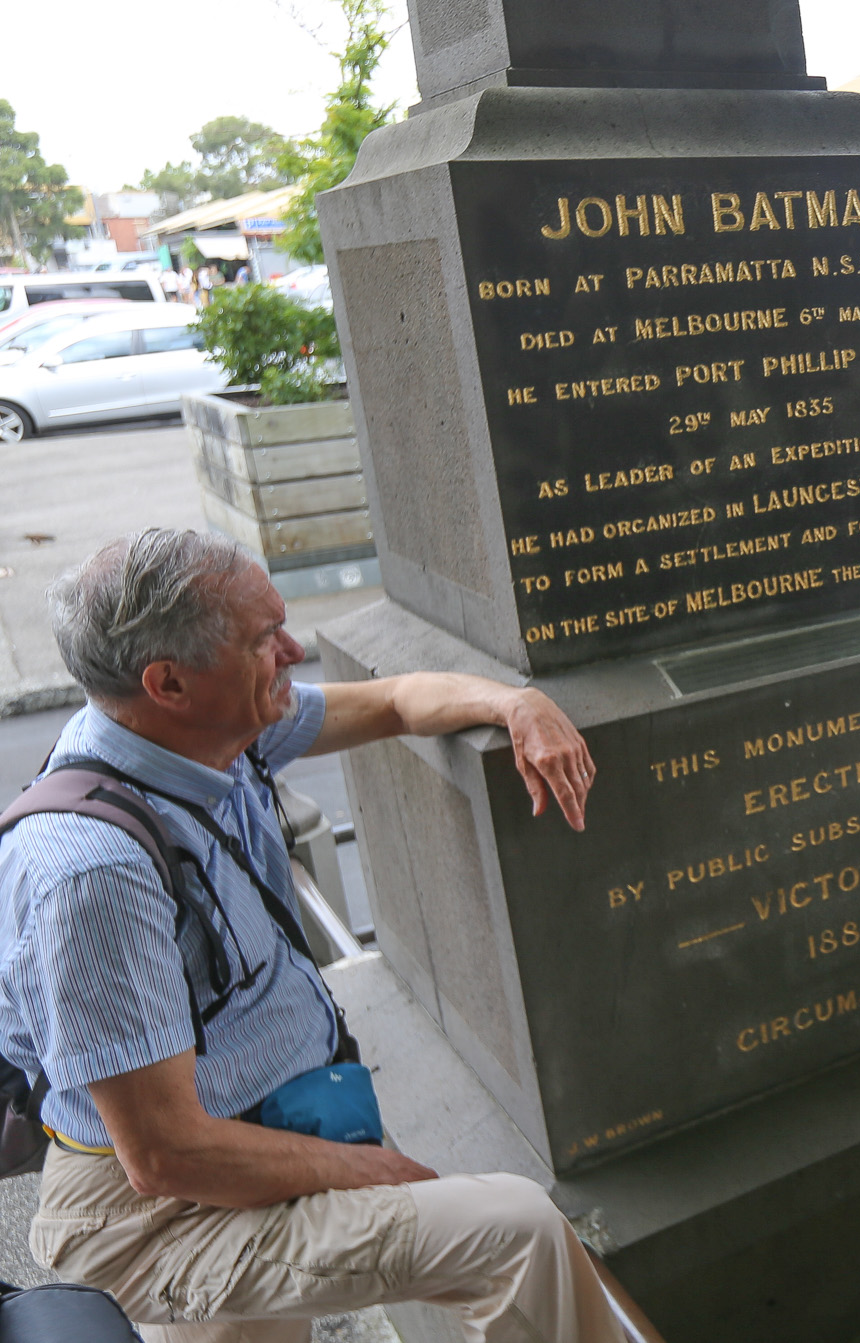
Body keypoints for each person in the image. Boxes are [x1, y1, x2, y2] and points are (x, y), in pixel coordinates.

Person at [0, 529, 631, 1343]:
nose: (294, 649)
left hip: (253, 1131)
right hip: (158, 1208)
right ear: (168, 681)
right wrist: (368, 1169)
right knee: (513, 1229)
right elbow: (162, 1154)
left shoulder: (210, 732)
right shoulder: (91, 871)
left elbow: (399, 701)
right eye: (265, 639)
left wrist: (517, 703)